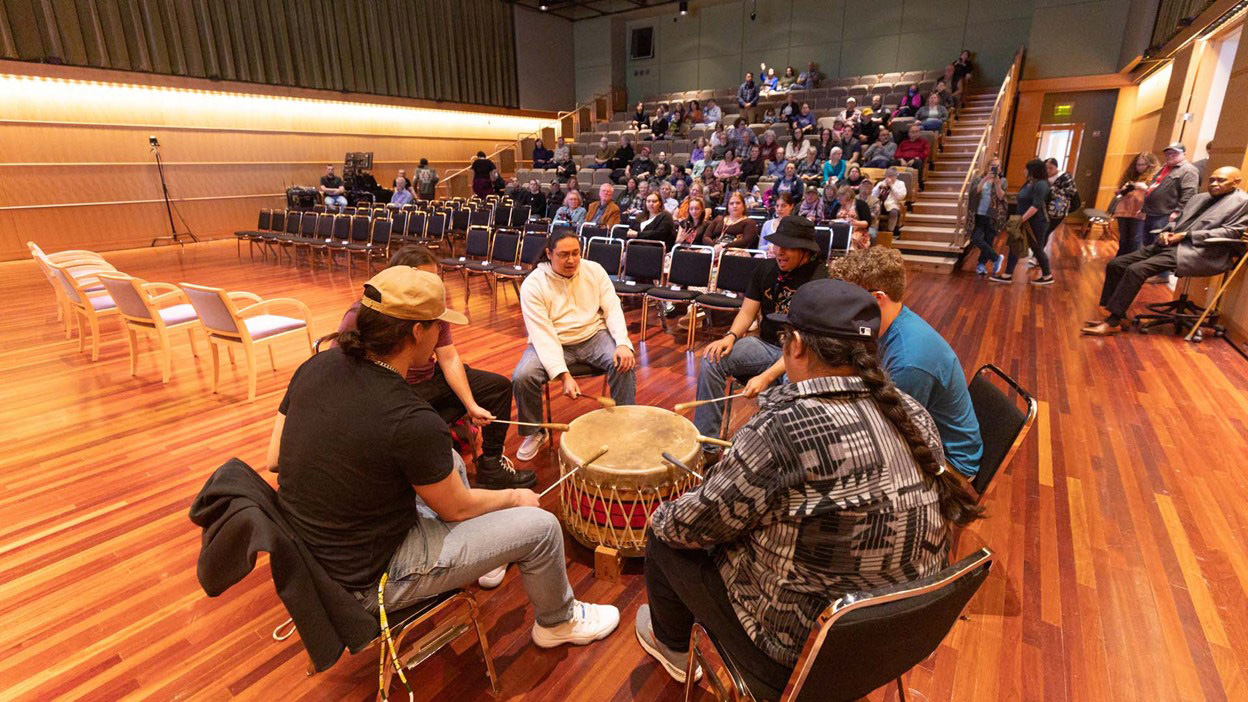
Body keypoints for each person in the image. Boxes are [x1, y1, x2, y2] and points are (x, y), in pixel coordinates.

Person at [636, 278, 983, 686]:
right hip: (895, 643)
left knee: (663, 534)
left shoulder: (782, 430)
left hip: (800, 656)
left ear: (795, 345)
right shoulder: (913, 414)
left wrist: (673, 510)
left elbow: (688, 525)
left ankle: (673, 646)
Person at [270, 265, 619, 649]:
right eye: (437, 325)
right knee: (541, 527)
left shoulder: (316, 364)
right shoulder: (410, 417)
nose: (441, 332)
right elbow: (455, 509)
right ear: (417, 332)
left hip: (312, 553)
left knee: (450, 460)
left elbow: (275, 458)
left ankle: (490, 550)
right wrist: (514, 498)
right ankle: (559, 621)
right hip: (367, 579)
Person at [335, 245, 533, 489]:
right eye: (423, 279)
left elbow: (448, 358)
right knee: (423, 422)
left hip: (428, 379)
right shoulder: (366, 314)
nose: (431, 286)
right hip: (394, 389)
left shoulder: (431, 309)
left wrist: (471, 405)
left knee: (497, 388)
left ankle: (490, 465)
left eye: (434, 278)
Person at [830, 247, 984, 477]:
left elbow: (894, 433)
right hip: (923, 437)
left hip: (949, 465)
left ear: (877, 298)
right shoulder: (892, 322)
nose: (842, 306)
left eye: (848, 298)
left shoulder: (909, 361)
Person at [691, 216, 828, 445]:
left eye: (788, 247)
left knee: (789, 385)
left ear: (805, 250)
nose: (780, 252)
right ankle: (708, 445)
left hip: (800, 354)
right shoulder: (766, 268)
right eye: (777, 245)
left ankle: (778, 453)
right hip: (765, 345)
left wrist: (766, 376)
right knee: (712, 359)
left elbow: (805, 341)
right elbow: (746, 313)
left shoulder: (820, 279)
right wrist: (731, 336)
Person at [513, 231, 637, 460]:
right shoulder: (533, 283)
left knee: (624, 362)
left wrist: (622, 343)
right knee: (523, 375)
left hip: (593, 335)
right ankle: (534, 431)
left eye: (575, 253)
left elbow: (612, 308)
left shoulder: (594, 270)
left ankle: (625, 420)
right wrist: (563, 374)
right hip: (553, 341)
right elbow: (543, 334)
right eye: (563, 255)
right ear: (549, 254)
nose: (571, 260)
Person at [1083, 167, 1248, 336]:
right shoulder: (1200, 198)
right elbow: (1178, 222)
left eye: (1221, 180)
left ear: (1236, 182)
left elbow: (1231, 232)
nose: (1214, 184)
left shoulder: (1242, 202)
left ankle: (1113, 322)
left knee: (1136, 270)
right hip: (1171, 244)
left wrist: (1186, 235)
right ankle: (1119, 315)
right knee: (1116, 263)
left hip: (1200, 250)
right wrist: (1167, 231)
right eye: (1212, 179)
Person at [1141, 142, 1200, 284]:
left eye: (1175, 153)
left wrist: (1177, 212)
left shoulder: (1188, 170)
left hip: (1166, 215)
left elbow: (1189, 194)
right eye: (1168, 153)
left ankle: (1162, 276)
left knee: (1162, 245)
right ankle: (1148, 271)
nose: (1170, 155)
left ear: (1184, 154)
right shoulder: (1164, 168)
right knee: (1149, 244)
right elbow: (1153, 189)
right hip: (1152, 212)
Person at [990, 159, 1054, 285]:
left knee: (1037, 248)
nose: (1024, 171)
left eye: (1026, 169)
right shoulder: (1029, 183)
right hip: (1025, 220)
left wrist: (1020, 220)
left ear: (1033, 171)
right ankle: (1007, 274)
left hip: (1037, 222)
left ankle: (1047, 276)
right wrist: (997, 184)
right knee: (1015, 246)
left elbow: (1036, 206)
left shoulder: (1041, 184)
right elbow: (1011, 197)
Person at [1112, 151, 1160, 256]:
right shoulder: (1131, 176)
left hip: (1139, 212)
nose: (1139, 167)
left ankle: (1129, 263)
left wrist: (1145, 188)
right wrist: (1122, 190)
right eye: (1137, 164)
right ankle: (1119, 261)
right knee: (1123, 239)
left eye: (1142, 164)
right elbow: (1119, 193)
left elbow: (1158, 195)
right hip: (1124, 210)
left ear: (1150, 165)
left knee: (1135, 240)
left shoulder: (1155, 177)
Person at [967, 158, 1008, 276]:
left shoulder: (1003, 181)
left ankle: (981, 265)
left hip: (992, 215)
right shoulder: (979, 178)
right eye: (992, 165)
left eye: (997, 166)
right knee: (976, 238)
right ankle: (996, 258)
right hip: (978, 214)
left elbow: (1001, 197)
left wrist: (997, 184)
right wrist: (985, 179)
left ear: (1000, 169)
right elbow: (974, 192)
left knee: (989, 241)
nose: (994, 168)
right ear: (987, 166)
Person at [1044, 158, 1079, 240]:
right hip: (1049, 207)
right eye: (1046, 168)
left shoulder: (1065, 176)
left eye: (1050, 168)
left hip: (1060, 207)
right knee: (1043, 230)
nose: (1048, 170)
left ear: (1056, 167)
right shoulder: (1044, 177)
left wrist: (1052, 190)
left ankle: (1039, 251)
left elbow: (1071, 191)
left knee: (1047, 230)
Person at [873, 167, 907, 236]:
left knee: (893, 212)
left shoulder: (900, 184)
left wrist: (892, 186)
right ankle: (874, 229)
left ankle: (890, 231)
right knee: (874, 210)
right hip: (880, 204)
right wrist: (879, 188)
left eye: (891, 176)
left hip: (892, 204)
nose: (889, 178)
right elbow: (873, 195)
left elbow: (901, 196)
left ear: (895, 176)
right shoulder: (881, 183)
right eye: (887, 176)